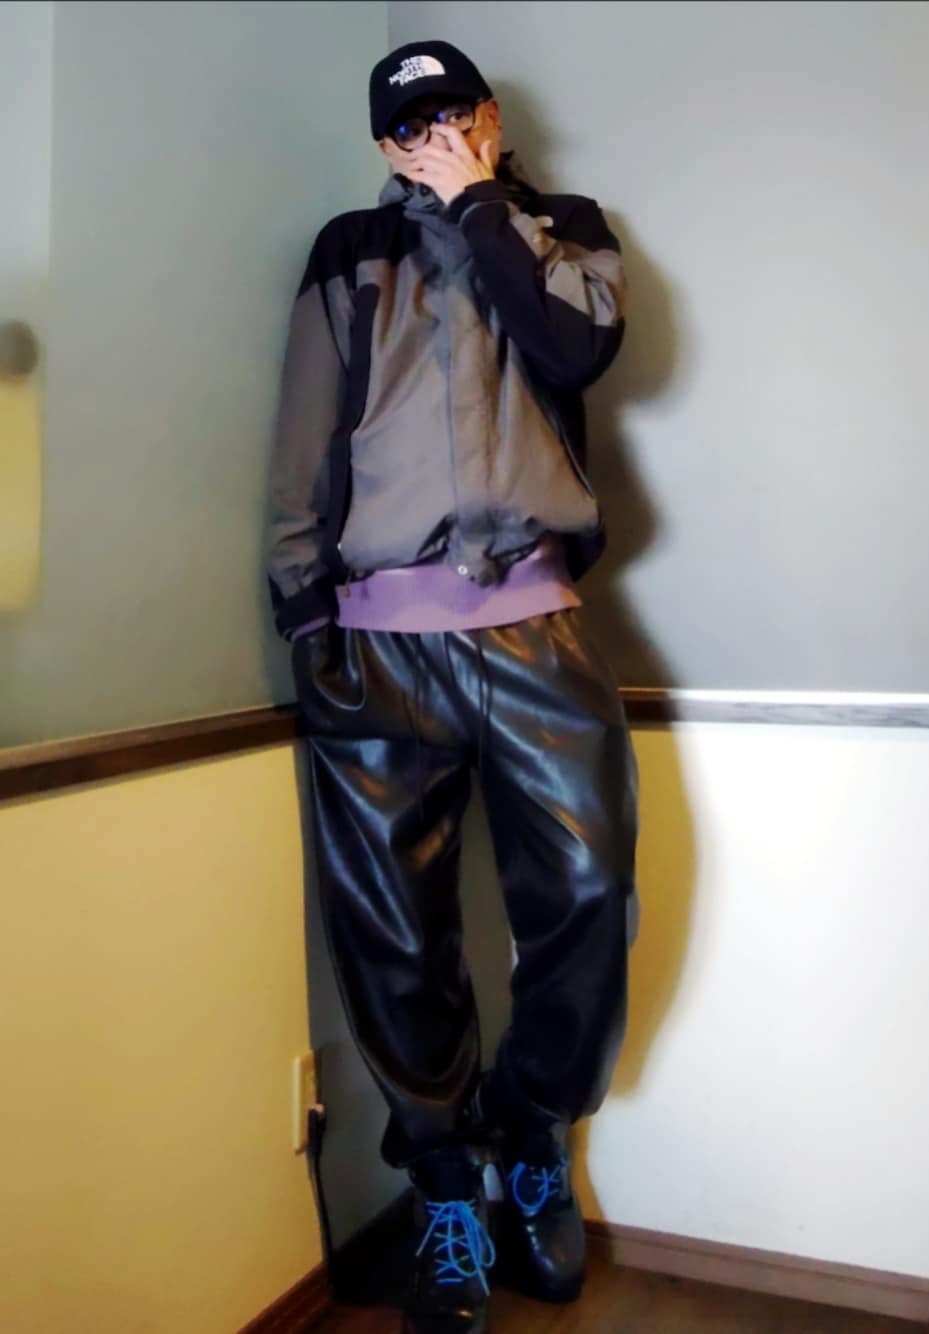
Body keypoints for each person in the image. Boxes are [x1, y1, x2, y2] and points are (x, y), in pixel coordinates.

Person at [266, 38, 639, 1334]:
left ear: (488, 120)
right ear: (384, 148)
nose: (434, 139)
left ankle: (531, 1135)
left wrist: (483, 205)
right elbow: (303, 443)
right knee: (395, 935)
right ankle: (442, 1187)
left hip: (540, 634)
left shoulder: (566, 230)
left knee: (589, 893)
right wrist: (305, 617)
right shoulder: (347, 252)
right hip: (378, 645)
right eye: (409, 128)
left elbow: (573, 350)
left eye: (453, 117)